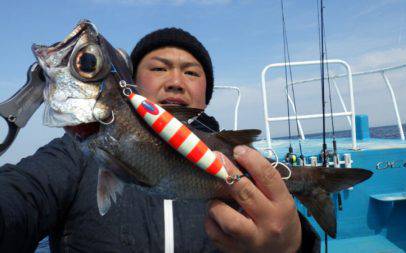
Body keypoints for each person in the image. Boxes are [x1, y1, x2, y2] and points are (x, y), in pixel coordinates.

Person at [0, 28, 320, 252]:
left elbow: (283, 226)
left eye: (191, 73)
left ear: (205, 94)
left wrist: (294, 245)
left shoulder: (236, 153)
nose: (176, 82)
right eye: (159, 68)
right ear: (131, 83)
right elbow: (21, 195)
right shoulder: (73, 153)